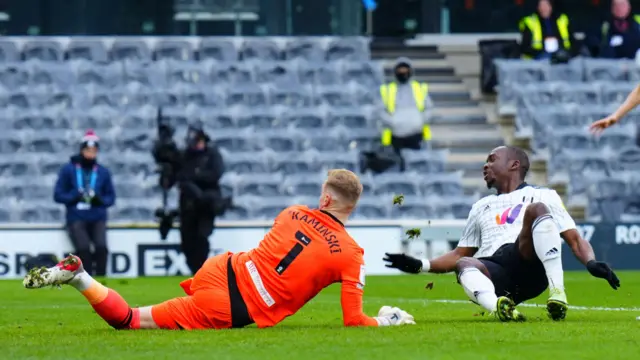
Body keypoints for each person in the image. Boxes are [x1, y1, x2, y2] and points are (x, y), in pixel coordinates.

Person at [24, 169, 416, 330]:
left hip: (221, 269)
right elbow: (353, 320)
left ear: (326, 200)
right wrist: (387, 321)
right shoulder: (352, 254)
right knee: (128, 322)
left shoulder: (292, 212)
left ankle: (77, 272)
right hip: (234, 307)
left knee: (131, 316)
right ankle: (79, 277)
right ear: (351, 206)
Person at [383, 146, 620, 321]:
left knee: (537, 211)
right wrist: (420, 265)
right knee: (465, 263)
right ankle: (500, 306)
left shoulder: (545, 195)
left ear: (514, 165)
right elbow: (459, 253)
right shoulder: (480, 206)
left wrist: (590, 262)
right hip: (495, 272)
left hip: (528, 260)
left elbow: (575, 239)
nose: (485, 166)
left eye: (492, 160)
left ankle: (558, 293)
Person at [53, 130, 116, 277]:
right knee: (83, 249)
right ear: (82, 150)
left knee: (101, 248)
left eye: (94, 151)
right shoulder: (69, 169)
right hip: (76, 216)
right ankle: (86, 282)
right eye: (88, 150)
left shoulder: (102, 172)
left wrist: (99, 199)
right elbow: (58, 195)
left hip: (97, 216)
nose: (91, 154)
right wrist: (74, 196)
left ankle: (102, 281)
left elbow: (111, 198)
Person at [175, 124, 225, 274]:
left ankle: (201, 271)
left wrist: (194, 177)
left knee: (202, 237)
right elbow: (177, 177)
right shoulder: (185, 156)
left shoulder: (212, 154)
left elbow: (216, 174)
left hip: (206, 204)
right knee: (187, 241)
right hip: (188, 205)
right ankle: (195, 271)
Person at [379, 57, 433, 171]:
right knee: (398, 165)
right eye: (400, 71)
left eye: (405, 70)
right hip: (396, 135)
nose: (403, 73)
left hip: (416, 133)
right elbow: (380, 110)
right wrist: (392, 122)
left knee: (416, 165)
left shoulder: (419, 88)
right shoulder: (387, 89)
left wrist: (420, 121)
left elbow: (429, 108)